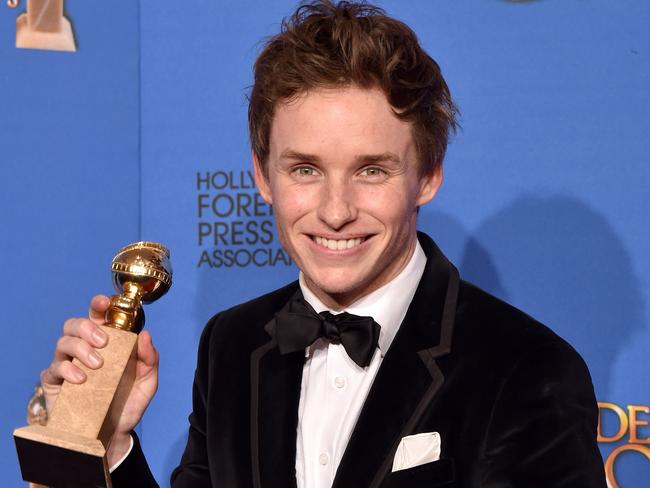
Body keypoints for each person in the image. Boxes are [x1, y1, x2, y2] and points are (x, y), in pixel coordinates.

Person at [41, 1, 607, 486]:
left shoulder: (529, 369)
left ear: (428, 175)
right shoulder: (232, 346)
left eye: (372, 171)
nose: (336, 212)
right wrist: (111, 443)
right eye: (306, 169)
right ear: (263, 177)